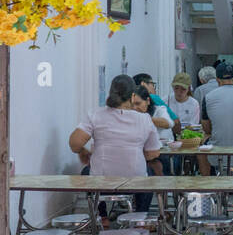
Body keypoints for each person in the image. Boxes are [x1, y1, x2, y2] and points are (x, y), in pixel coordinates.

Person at [68, 76, 162, 217]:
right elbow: (153, 154)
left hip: (102, 183)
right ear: (132, 96)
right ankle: (139, 217)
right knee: (149, 173)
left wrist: (82, 151)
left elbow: (75, 144)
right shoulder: (144, 119)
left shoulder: (95, 114)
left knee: (87, 173)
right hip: (135, 183)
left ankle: (102, 216)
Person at [166, 72, 202, 175]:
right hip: (170, 137)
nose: (179, 92)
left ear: (188, 89)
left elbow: (194, 125)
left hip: (187, 137)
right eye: (176, 88)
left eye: (183, 89)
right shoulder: (166, 100)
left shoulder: (193, 103)